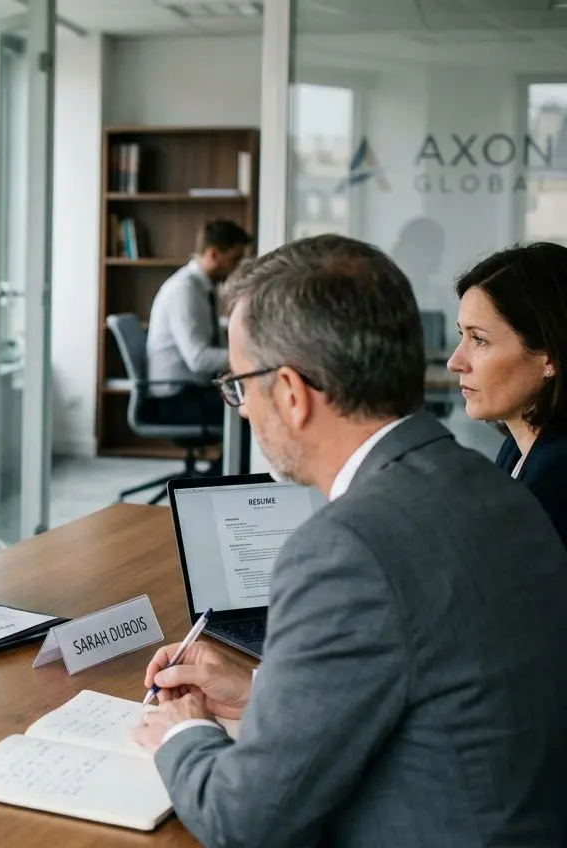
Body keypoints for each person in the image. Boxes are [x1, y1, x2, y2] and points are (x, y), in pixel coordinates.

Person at [132, 234, 567, 846]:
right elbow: (434, 686)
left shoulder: (343, 549)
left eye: (239, 387)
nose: (243, 411)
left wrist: (179, 731)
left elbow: (245, 820)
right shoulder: (489, 483)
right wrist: (262, 692)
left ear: (289, 392)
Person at [447, 242, 567, 546]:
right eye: (463, 335)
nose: (455, 362)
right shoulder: (518, 449)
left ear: (549, 357)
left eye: (479, 340)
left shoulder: (556, 483)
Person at [145, 219, 252, 428]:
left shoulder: (200, 288)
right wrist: (248, 357)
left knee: (249, 402)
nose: (238, 267)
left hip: (191, 390)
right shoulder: (184, 290)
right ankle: (224, 463)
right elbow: (199, 359)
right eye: (235, 259)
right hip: (175, 398)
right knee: (251, 412)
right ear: (213, 254)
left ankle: (223, 462)